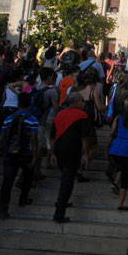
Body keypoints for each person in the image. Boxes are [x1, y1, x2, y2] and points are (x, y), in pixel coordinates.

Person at [50, 92, 91, 223]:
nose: (83, 103)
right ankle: (59, 212)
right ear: (76, 102)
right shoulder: (82, 115)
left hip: (59, 149)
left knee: (65, 177)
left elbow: (52, 136)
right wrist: (85, 154)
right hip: (72, 150)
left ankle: (61, 201)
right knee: (68, 180)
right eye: (82, 101)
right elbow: (84, 137)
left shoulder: (59, 115)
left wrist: (53, 153)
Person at [0, 92, 38, 220]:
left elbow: (3, 137)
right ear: (30, 103)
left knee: (7, 183)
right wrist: (34, 156)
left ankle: (3, 209)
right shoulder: (32, 120)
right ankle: (23, 198)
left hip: (10, 154)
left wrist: (3, 151)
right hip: (25, 154)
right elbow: (34, 140)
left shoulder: (8, 119)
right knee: (28, 177)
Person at [107, 95, 128, 211]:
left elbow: (112, 132)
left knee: (120, 168)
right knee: (125, 176)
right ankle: (121, 203)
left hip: (116, 146)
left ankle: (116, 181)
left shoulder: (118, 117)